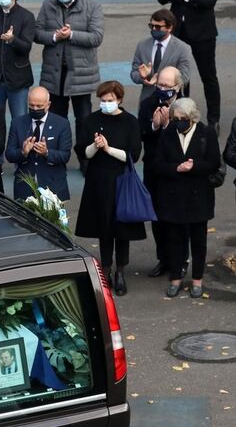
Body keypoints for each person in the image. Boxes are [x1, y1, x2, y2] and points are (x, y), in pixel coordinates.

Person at [74, 81, 145, 296]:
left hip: (121, 180)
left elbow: (132, 155)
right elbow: (83, 153)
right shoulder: (91, 120)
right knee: (103, 227)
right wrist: (95, 146)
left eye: (110, 101)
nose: (106, 104)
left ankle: (120, 271)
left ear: (119, 100)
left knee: (122, 228)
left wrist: (107, 148)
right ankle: (105, 267)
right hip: (99, 180)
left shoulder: (130, 122)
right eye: (103, 101)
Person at [35, 0, 104, 171]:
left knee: (84, 120)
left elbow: (96, 37)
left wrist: (72, 34)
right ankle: (57, 158)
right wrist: (55, 37)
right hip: (54, 75)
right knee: (56, 120)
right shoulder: (48, 5)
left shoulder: (92, 7)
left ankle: (85, 159)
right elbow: (38, 33)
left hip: (81, 75)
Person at [153, 98, 219, 298]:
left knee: (198, 240)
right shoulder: (168, 134)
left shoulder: (206, 133)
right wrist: (176, 168)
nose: (178, 122)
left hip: (199, 197)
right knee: (174, 239)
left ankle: (197, 279)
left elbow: (214, 163)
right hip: (173, 197)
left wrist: (194, 166)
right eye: (175, 119)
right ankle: (176, 278)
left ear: (192, 118)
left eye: (182, 119)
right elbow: (157, 165)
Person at [156, 0, 222, 131]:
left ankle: (214, 119)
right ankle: (181, 114)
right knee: (180, 77)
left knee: (208, 75)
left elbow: (210, 1)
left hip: (202, 31)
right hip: (178, 30)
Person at [139, 66, 183, 279]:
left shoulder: (185, 108)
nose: (162, 88)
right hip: (154, 172)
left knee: (176, 219)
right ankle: (163, 259)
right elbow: (142, 134)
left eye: (167, 85)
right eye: (160, 84)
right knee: (156, 218)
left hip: (177, 172)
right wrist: (155, 126)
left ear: (178, 87)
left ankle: (180, 260)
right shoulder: (148, 105)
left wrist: (167, 127)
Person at [5, 86, 71, 201]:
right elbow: (9, 154)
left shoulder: (62, 124)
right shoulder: (17, 123)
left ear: (48, 104)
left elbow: (65, 156)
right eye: (31, 105)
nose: (35, 109)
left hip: (53, 187)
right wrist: (23, 152)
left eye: (39, 106)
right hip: (25, 188)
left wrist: (47, 153)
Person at [130, 9, 191, 107]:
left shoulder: (183, 48)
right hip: (147, 101)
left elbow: (184, 77)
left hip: (172, 102)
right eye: (151, 26)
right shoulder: (142, 45)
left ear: (169, 27)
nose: (154, 29)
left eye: (158, 27)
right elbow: (134, 73)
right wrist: (143, 77)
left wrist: (160, 80)